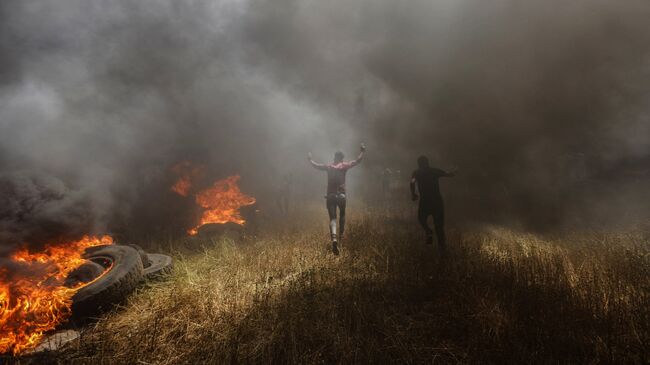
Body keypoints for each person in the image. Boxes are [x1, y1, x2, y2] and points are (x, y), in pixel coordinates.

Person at [308, 143, 366, 255]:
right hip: (341, 196)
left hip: (330, 196)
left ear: (334, 157)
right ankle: (341, 236)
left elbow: (316, 165)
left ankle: (334, 239)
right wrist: (362, 151)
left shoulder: (329, 167)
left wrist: (310, 159)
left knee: (333, 219)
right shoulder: (344, 166)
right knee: (342, 215)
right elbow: (357, 161)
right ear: (342, 158)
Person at [410, 155, 456, 253]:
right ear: (427, 163)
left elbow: (412, 182)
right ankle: (442, 248)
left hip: (425, 201)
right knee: (439, 226)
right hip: (436, 201)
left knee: (421, 219)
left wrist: (413, 194)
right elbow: (448, 174)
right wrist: (454, 172)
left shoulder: (416, 173)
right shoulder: (434, 171)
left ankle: (428, 231)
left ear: (419, 163)